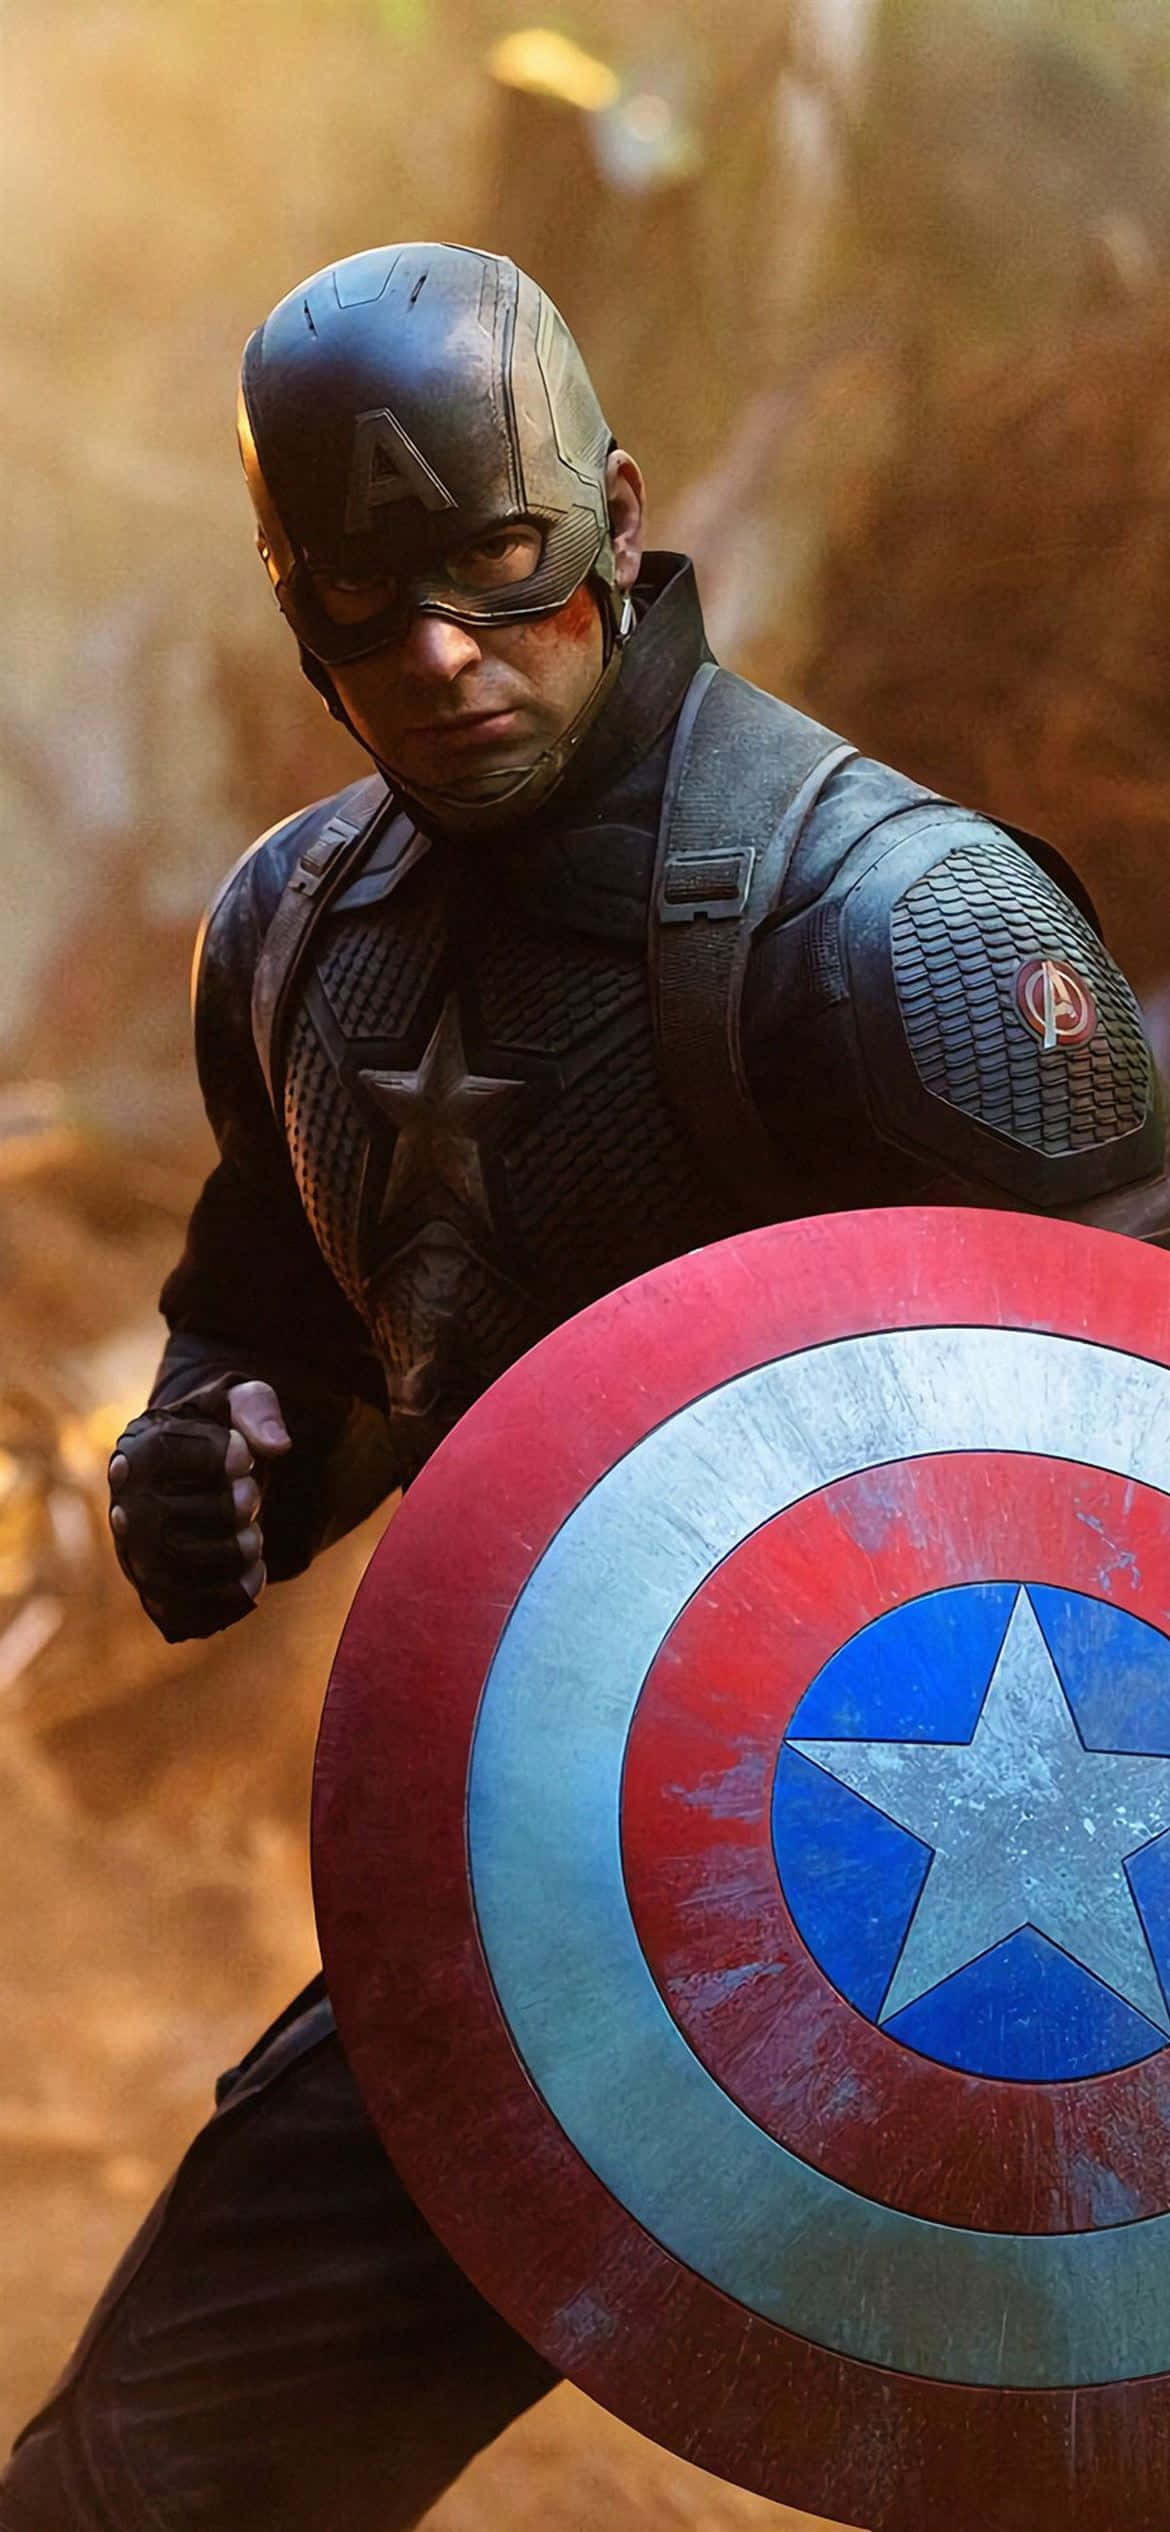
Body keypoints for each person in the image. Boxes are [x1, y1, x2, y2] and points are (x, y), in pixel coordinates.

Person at [4, 241, 1167, 2532]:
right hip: (558, 1900)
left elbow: (1128, 1440)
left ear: (616, 519)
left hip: (1056, 1910)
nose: (443, 656)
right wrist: (219, 1451)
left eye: (499, 569)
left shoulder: (909, 927)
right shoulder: (297, 937)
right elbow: (298, 1325)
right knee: (144, 2489)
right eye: (367, 607)